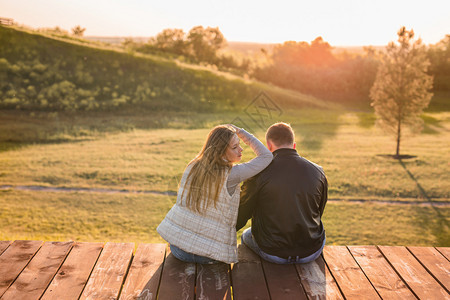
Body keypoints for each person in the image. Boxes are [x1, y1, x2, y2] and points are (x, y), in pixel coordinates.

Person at [157, 124, 273, 264]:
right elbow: (266, 156)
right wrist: (241, 132)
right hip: (209, 256)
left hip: (179, 249)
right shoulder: (232, 174)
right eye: (234, 147)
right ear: (221, 152)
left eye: (239, 145)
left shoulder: (193, 165)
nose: (241, 150)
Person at [236, 122, 327, 264]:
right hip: (311, 250)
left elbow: (241, 215)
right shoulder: (318, 171)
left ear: (268, 146)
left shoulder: (258, 173)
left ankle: (254, 275)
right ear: (294, 145)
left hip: (272, 252)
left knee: (246, 234)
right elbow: (318, 211)